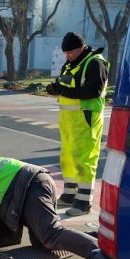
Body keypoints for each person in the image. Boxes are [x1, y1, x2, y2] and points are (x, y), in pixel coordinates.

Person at [46, 32, 110, 216]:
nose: (68, 56)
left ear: (81, 47)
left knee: (85, 159)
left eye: (71, 52)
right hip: (69, 121)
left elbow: (93, 91)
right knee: (68, 159)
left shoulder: (94, 62)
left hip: (86, 118)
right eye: (65, 53)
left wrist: (63, 90)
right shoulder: (71, 64)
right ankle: (70, 194)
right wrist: (55, 89)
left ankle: (83, 202)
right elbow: (68, 87)